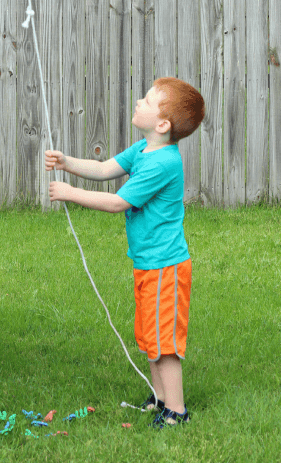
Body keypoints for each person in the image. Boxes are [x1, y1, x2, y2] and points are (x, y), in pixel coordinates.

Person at [46, 77, 205, 429]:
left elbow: (118, 202)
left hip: (166, 267)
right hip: (149, 264)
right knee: (150, 335)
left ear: (163, 124)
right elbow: (104, 170)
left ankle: (176, 411)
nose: (138, 101)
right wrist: (67, 162)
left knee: (164, 344)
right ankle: (160, 398)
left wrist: (70, 193)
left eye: (147, 101)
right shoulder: (144, 149)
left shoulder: (163, 163)